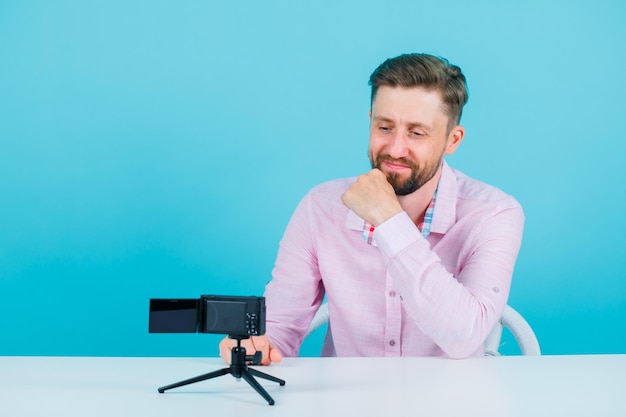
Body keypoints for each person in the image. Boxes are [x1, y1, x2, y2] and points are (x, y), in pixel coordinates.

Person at [219, 53, 524, 363]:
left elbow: (463, 337)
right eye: (385, 127)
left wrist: (389, 220)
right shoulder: (320, 208)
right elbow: (280, 327)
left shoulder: (494, 214)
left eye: (417, 133)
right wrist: (259, 345)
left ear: (452, 140)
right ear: (370, 122)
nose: (395, 148)